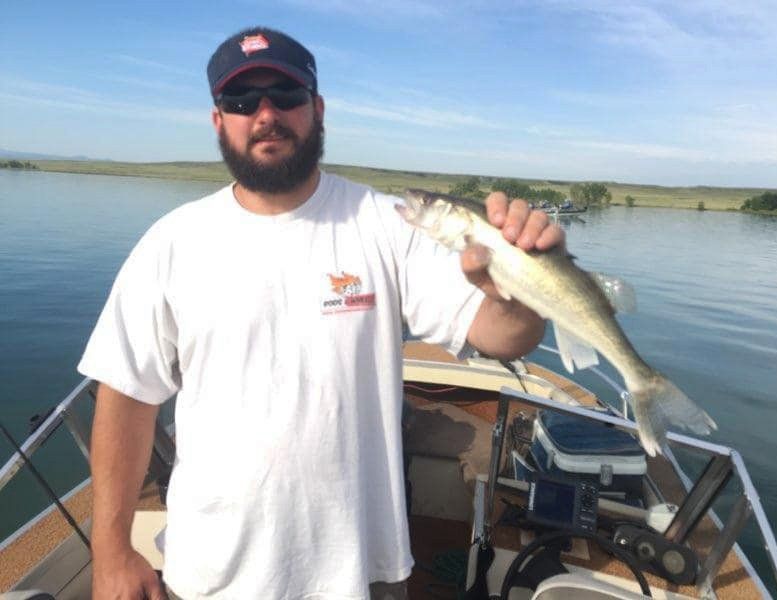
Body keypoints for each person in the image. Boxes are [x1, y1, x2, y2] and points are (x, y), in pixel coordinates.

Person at [80, 27, 565, 600]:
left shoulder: (385, 223)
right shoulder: (172, 242)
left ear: (318, 109)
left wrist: (521, 288)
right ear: (218, 121)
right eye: (241, 101)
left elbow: (502, 335)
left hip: (361, 571)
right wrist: (110, 550)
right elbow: (127, 397)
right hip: (210, 575)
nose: (265, 114)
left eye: (285, 96)